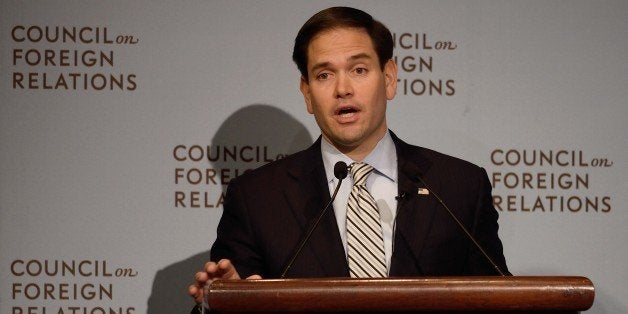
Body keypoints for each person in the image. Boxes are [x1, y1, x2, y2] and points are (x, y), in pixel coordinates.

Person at [189, 6, 509, 307]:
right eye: (324, 75)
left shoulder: (458, 187)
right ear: (307, 93)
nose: (343, 88)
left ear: (389, 78)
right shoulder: (257, 198)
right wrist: (222, 302)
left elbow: (501, 302)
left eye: (358, 69)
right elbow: (227, 295)